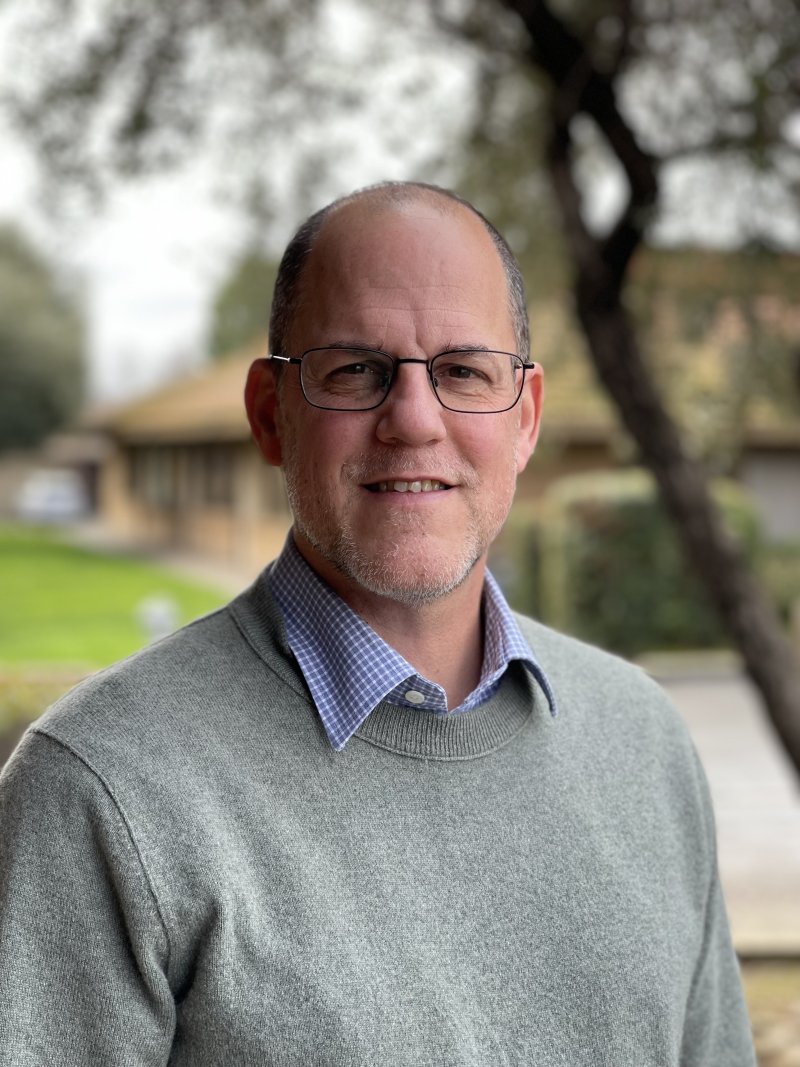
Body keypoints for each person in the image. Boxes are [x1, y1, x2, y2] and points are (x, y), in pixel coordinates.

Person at [0, 181, 755, 1066]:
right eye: (356, 369)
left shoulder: (645, 743)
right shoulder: (100, 792)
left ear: (527, 419)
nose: (414, 419)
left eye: (465, 370)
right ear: (269, 413)